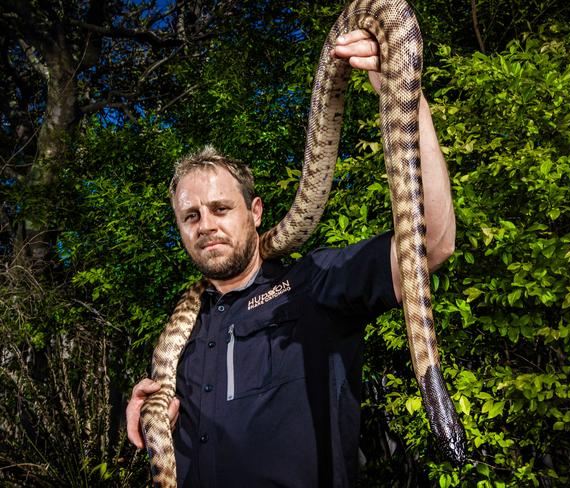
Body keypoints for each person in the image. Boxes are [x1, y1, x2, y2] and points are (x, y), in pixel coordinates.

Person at [126, 30, 456, 487]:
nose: (206, 225)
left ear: (255, 212)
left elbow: (433, 242)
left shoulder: (314, 283)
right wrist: (153, 406)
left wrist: (406, 99)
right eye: (191, 216)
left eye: (221, 209)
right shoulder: (186, 330)